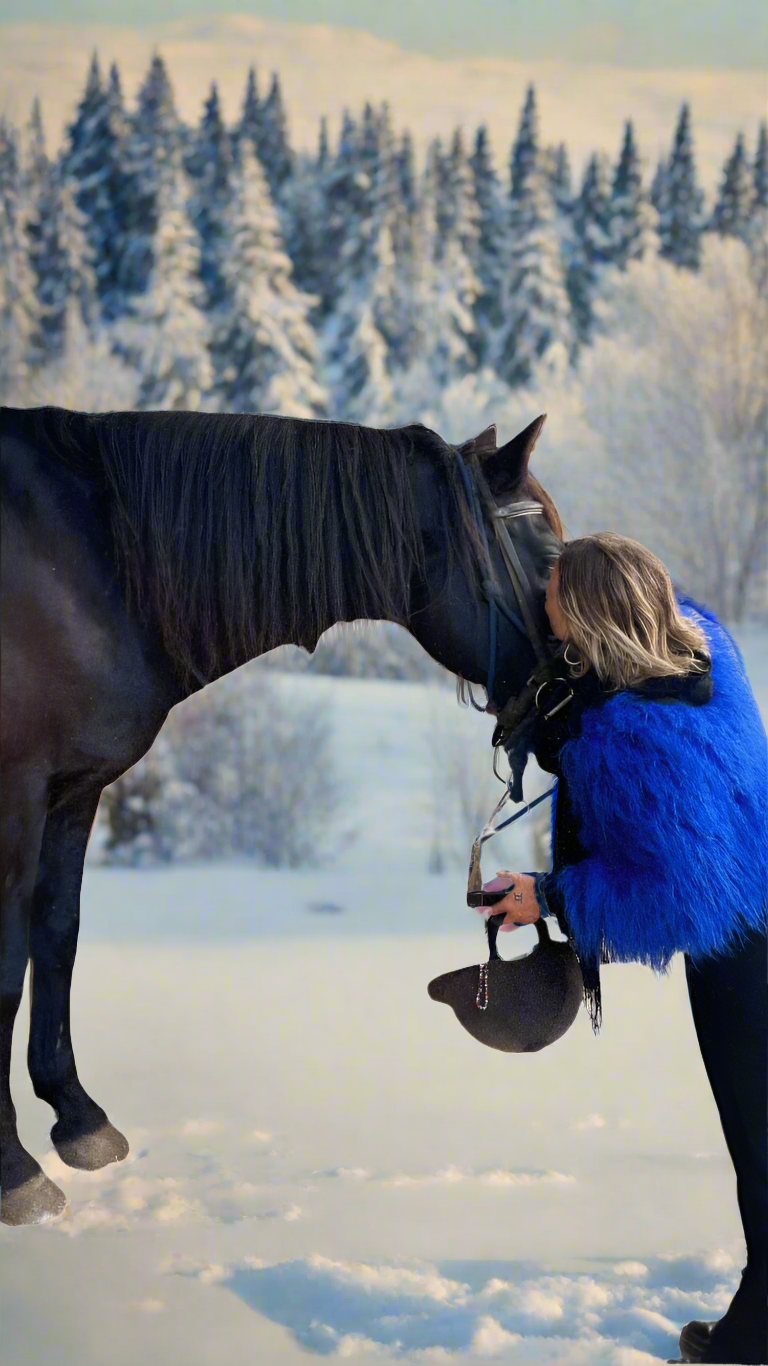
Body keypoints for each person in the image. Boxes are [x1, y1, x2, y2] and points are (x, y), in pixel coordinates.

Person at [485, 533, 767, 1366]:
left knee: (760, 1143)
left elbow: (683, 895)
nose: (540, 606)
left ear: (587, 613)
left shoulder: (632, 735)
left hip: (748, 953)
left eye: (553, 595)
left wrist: (555, 894)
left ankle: (758, 1338)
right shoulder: (706, 658)